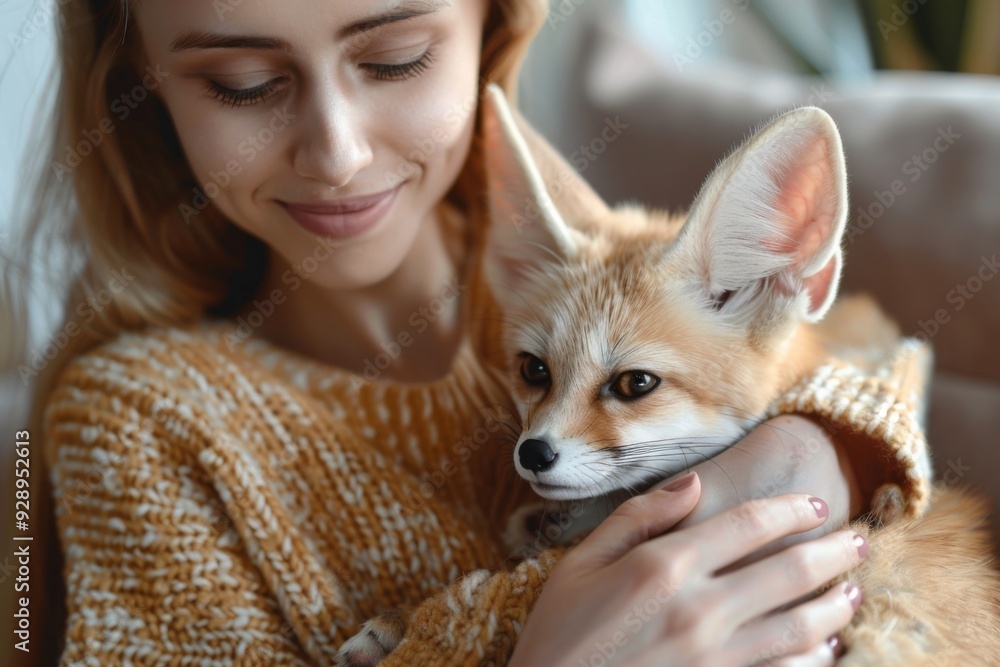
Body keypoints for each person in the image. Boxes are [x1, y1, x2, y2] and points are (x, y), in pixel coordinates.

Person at [5, 0, 936, 665]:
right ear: (144, 85)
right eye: (241, 83)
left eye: (395, 57)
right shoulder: (135, 421)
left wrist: (799, 459)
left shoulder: (573, 269)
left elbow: (872, 355)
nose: (336, 154)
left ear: (490, 29)